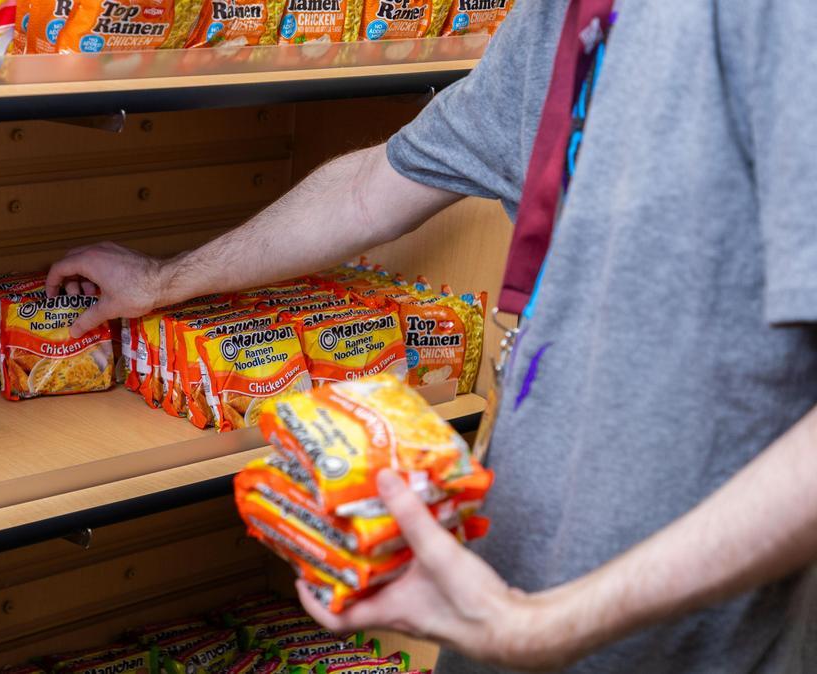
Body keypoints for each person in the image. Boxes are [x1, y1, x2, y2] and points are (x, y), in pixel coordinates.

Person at [46, 1, 817, 671]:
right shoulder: (554, 20)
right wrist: (165, 280)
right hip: (503, 622)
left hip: (682, 649)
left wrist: (551, 626)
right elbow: (367, 192)